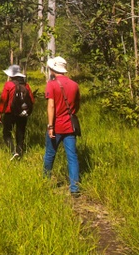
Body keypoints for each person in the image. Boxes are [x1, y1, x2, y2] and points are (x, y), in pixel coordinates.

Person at [43, 56, 81, 195]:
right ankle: (75, 188)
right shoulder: (74, 85)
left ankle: (45, 180)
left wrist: (50, 126)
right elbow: (77, 106)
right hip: (70, 126)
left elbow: (51, 106)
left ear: (53, 69)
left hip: (56, 126)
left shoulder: (51, 84)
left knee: (50, 154)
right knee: (72, 156)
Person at [0, 64, 34, 159]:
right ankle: (19, 152)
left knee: (6, 133)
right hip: (23, 113)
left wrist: (0, 113)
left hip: (10, 113)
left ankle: (13, 151)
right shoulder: (26, 85)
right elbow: (32, 100)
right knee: (20, 132)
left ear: (11, 75)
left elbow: (3, 100)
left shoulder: (8, 85)